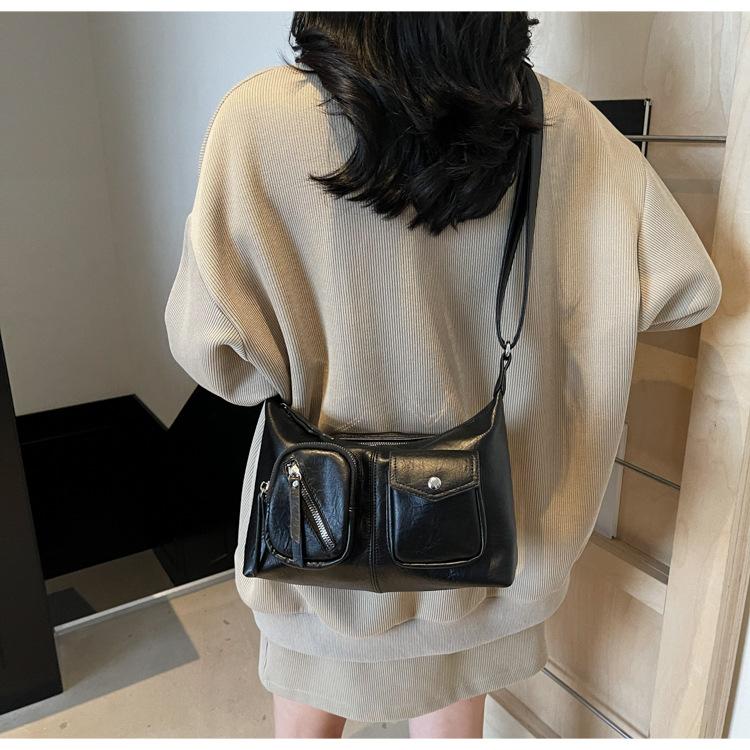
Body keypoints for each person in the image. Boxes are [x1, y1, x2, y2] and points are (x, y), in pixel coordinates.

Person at [164, 11, 722, 738]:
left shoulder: (257, 118)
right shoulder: (563, 125)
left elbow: (216, 357)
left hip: (316, 546)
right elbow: (686, 287)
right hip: (481, 548)